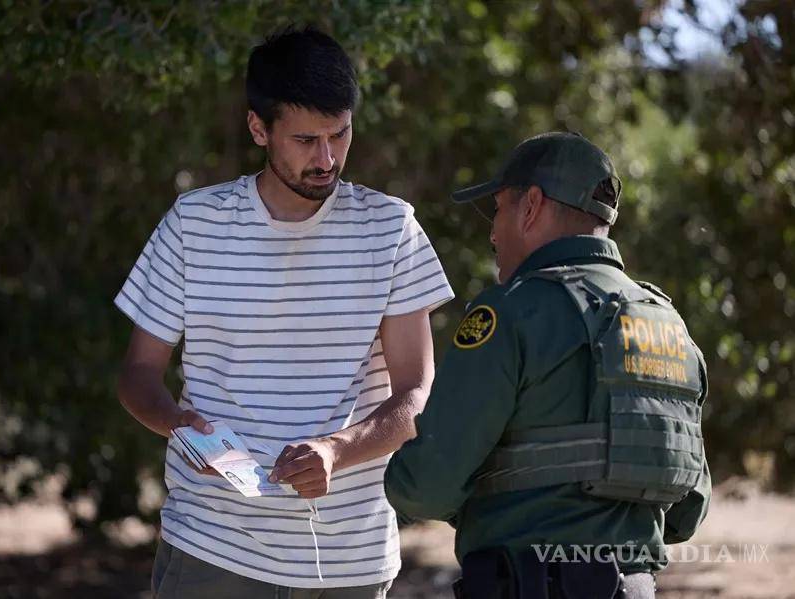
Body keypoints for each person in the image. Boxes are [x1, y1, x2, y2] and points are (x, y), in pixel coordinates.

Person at [115, 25, 454, 598]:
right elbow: (137, 374)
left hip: (349, 561)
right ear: (258, 128)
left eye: (339, 134)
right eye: (305, 140)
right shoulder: (193, 224)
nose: (326, 158)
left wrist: (337, 450)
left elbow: (416, 392)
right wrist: (179, 425)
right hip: (210, 548)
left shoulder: (392, 229)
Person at [384, 132, 711, 599]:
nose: (493, 231)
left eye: (496, 209)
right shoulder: (670, 326)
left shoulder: (511, 313)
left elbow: (424, 487)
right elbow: (686, 513)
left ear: (531, 205)